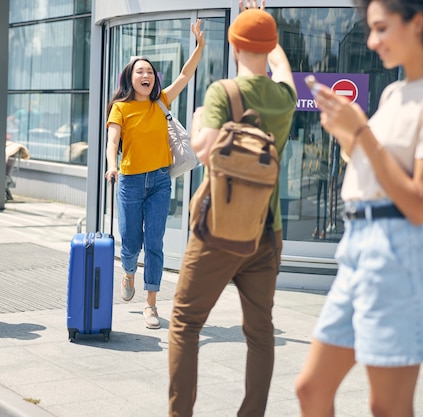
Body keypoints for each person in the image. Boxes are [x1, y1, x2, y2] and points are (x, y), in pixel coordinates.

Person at [294, 1, 423, 416]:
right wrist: (345, 133)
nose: (371, 40)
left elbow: (420, 202)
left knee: (388, 408)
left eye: (381, 28)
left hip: (399, 249)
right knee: (311, 390)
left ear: (417, 24)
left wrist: (361, 131)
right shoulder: (394, 91)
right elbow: (372, 164)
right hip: (357, 244)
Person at [168, 1, 296, 415]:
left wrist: (203, 115)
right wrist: (266, 28)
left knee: (186, 324)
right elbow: (283, 69)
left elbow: (205, 152)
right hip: (266, 230)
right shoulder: (284, 99)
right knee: (260, 333)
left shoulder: (223, 92)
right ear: (271, 46)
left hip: (218, 230)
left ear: (233, 46)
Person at [105, 20, 205, 329]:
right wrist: (111, 165)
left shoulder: (161, 102)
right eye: (140, 72)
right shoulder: (120, 108)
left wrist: (199, 46)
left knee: (156, 243)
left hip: (161, 180)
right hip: (131, 181)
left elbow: (186, 74)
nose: (146, 75)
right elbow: (112, 142)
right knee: (131, 242)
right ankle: (129, 271)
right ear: (130, 78)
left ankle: (151, 305)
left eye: (150, 72)